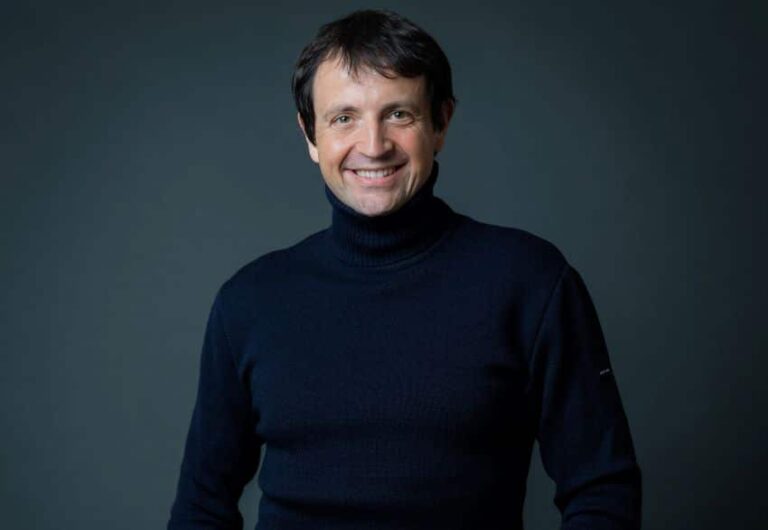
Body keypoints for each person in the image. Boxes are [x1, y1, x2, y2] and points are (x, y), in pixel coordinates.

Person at [167, 9, 642, 530]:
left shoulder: (530, 282)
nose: (373, 146)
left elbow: (603, 491)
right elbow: (200, 509)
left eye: (399, 114)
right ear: (310, 135)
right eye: (344, 118)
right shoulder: (250, 301)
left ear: (441, 123)